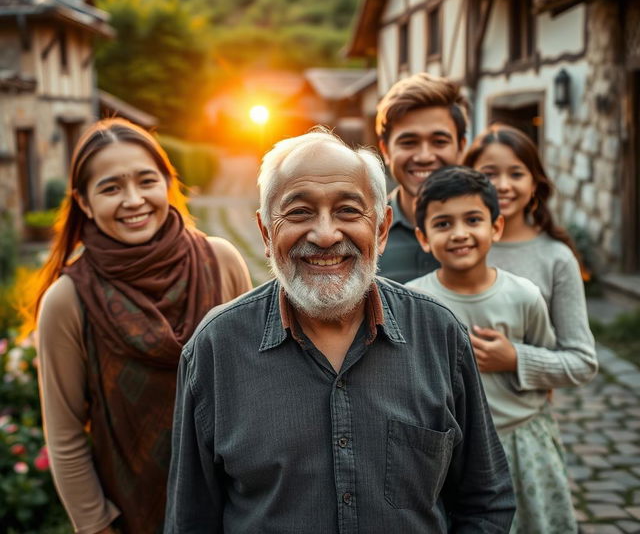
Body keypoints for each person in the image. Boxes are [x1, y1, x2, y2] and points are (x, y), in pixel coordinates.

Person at [164, 128, 515, 533]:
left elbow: (485, 502)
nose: (326, 234)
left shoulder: (439, 334)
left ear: (381, 229)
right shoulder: (215, 349)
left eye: (349, 210)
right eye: (299, 212)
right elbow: (190, 521)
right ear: (265, 232)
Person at [26, 118, 252, 534]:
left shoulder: (221, 262)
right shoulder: (69, 300)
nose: (134, 200)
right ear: (84, 202)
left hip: (234, 509)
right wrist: (97, 527)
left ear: (167, 183)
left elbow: (254, 389)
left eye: (146, 181)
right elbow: (66, 436)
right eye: (111, 188)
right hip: (133, 515)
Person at [407, 166, 577, 533]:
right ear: (423, 237)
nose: (460, 234)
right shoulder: (415, 303)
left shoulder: (524, 296)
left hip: (520, 441)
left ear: (496, 227)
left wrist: (514, 358)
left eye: (472, 219)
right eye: (443, 224)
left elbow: (548, 364)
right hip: (454, 455)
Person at [464, 124, 597, 390]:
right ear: (468, 179)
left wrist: (515, 358)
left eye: (516, 173)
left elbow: (583, 363)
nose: (502, 185)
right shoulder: (454, 246)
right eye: (489, 173)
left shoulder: (556, 257)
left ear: (534, 183)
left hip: (520, 419)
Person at [375, 72, 469, 283]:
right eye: (408, 142)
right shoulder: (367, 231)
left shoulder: (486, 230)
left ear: (461, 147)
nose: (424, 156)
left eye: (439, 141)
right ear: (386, 150)